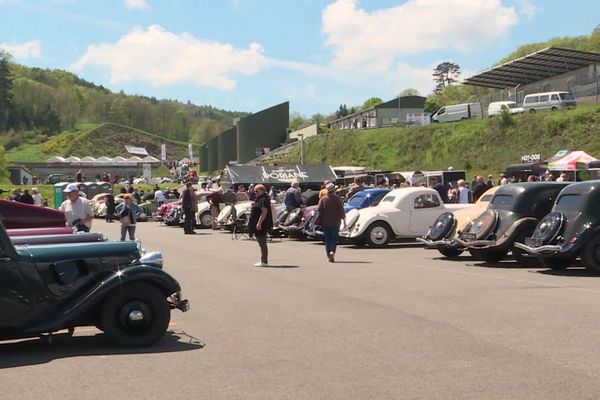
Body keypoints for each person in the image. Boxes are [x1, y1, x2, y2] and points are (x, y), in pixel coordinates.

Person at [315, 183, 346, 262]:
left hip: (326, 222)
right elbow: (341, 211)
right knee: (334, 239)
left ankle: (329, 255)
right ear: (334, 190)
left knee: (327, 239)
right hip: (336, 222)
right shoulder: (337, 199)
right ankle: (333, 252)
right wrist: (344, 221)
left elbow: (318, 210)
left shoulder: (323, 199)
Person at [248, 184, 273, 267]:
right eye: (254, 191)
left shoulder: (263, 199)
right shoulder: (260, 199)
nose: (255, 192)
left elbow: (264, 212)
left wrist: (259, 223)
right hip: (259, 223)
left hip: (262, 224)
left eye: (257, 191)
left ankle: (264, 261)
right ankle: (263, 260)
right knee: (261, 242)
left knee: (262, 242)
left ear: (262, 190)